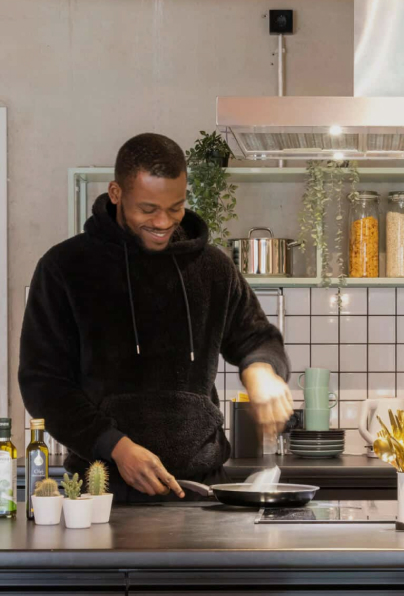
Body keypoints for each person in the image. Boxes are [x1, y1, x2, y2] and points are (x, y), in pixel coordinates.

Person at [19, 133, 293, 502]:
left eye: (175, 207)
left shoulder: (212, 267)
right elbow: (43, 384)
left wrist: (261, 369)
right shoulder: (65, 268)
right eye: (148, 209)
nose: (163, 222)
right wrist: (115, 446)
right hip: (101, 493)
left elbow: (257, 338)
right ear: (116, 193)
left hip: (201, 492)